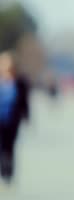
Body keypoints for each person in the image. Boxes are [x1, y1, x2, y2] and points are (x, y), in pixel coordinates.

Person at [0, 51, 29, 185]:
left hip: (12, 120)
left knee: (10, 147)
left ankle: (9, 173)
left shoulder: (20, 81)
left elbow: (24, 101)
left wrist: (26, 116)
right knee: (1, 148)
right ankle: (3, 170)